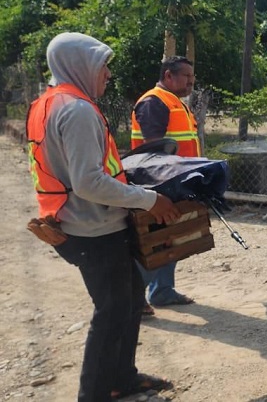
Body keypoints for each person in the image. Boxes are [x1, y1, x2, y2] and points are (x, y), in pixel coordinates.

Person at [25, 32, 182, 401]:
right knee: (111, 312)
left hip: (78, 222)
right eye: (102, 65)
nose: (108, 73)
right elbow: (88, 182)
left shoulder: (47, 103)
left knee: (130, 299)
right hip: (93, 229)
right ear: (79, 65)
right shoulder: (76, 110)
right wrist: (149, 200)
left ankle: (121, 378)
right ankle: (95, 393)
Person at [130, 55, 200, 313]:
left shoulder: (175, 103)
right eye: (186, 76)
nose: (191, 82)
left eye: (192, 77)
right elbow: (154, 151)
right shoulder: (154, 102)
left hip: (178, 181)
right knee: (158, 240)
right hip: (161, 185)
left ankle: (162, 291)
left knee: (172, 239)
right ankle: (132, 297)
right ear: (169, 76)